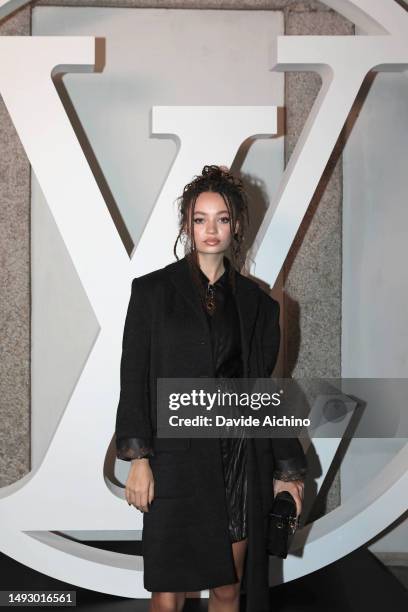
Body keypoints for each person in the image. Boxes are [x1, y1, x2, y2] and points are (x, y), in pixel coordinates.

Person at [115, 165, 307, 612]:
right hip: (175, 459)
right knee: (168, 592)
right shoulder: (151, 293)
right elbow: (132, 377)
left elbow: (264, 390)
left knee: (227, 588)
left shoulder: (258, 304)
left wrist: (289, 472)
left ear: (236, 225)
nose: (211, 229)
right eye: (200, 219)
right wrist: (138, 459)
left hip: (238, 459)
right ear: (187, 224)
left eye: (221, 218)